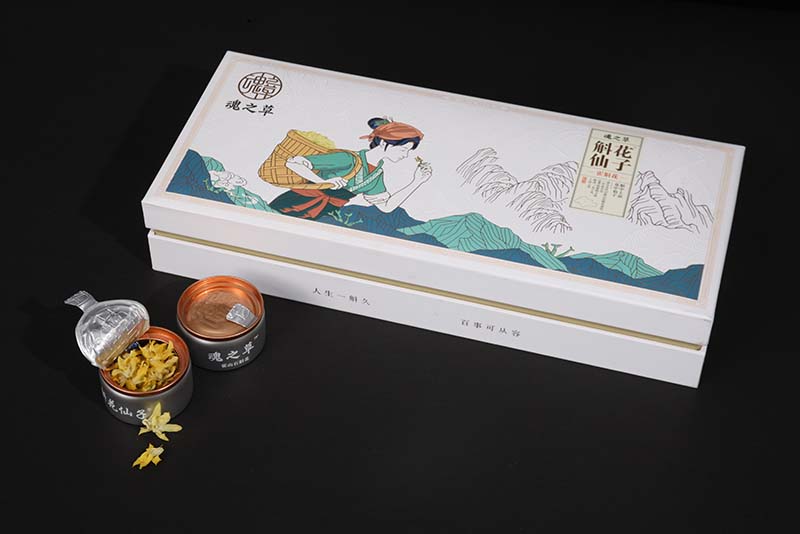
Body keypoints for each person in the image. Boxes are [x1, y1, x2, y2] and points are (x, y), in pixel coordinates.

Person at [268, 117, 433, 219]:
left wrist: (417, 181)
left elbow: (386, 207)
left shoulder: (376, 174)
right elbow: (294, 162)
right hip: (293, 204)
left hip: (322, 214)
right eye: (403, 149)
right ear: (384, 143)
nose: (405, 155)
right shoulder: (348, 159)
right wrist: (322, 182)